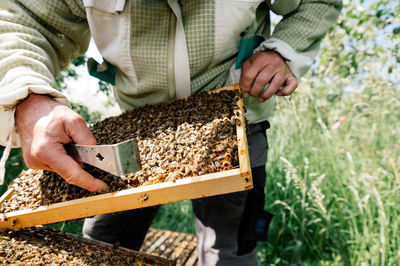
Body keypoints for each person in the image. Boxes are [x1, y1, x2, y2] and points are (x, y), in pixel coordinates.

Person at [0, 1, 341, 265]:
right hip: (133, 130)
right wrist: (29, 98)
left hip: (233, 121)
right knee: (100, 244)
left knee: (229, 251)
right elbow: (24, 17)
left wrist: (284, 50)